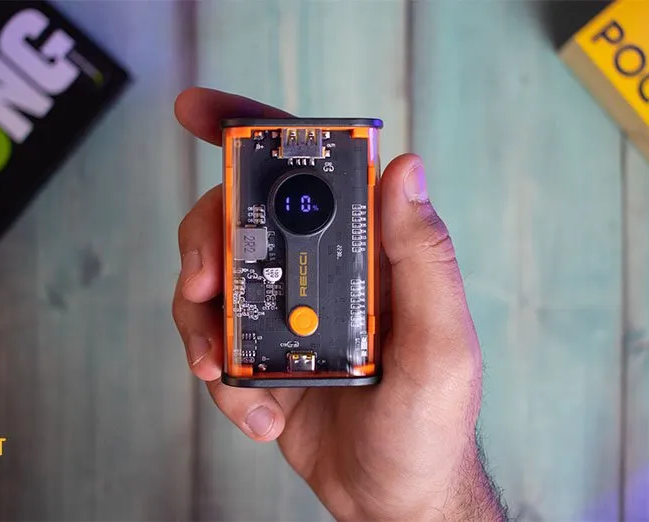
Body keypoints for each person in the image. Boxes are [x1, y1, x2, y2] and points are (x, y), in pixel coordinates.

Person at [171, 87, 507, 522]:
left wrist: (426, 501)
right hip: (330, 371)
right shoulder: (337, 156)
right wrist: (425, 505)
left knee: (247, 215)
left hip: (342, 371)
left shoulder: (331, 158)